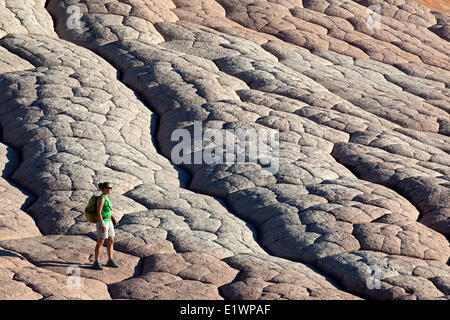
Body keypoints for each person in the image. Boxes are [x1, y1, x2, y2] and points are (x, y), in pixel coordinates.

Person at [93, 182, 119, 270]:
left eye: (111, 188)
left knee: (111, 240)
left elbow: (108, 211)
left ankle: (110, 260)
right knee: (100, 242)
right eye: (108, 188)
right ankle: (96, 261)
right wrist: (102, 224)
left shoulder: (107, 198)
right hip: (103, 222)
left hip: (109, 221)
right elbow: (99, 212)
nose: (110, 189)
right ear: (103, 189)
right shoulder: (101, 198)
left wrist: (114, 218)